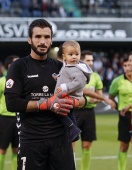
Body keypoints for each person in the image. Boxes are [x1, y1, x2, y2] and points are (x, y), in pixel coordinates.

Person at [4, 19, 86, 170]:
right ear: (29, 39)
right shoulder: (18, 67)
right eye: (38, 37)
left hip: (61, 141)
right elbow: (12, 103)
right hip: (31, 141)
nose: (43, 41)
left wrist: (73, 102)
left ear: (51, 40)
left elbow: (83, 99)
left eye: (47, 37)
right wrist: (46, 104)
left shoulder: (62, 67)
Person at [72, 50, 115, 170]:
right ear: (82, 61)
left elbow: (99, 96)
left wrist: (95, 100)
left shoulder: (95, 77)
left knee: (87, 145)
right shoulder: (74, 75)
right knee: (71, 145)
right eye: (88, 60)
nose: (91, 63)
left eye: (92, 60)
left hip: (89, 113)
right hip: (75, 112)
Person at [54, 40, 92, 142]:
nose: (74, 57)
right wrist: (57, 77)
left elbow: (79, 82)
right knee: (69, 114)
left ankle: (72, 128)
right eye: (70, 54)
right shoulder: (68, 66)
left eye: (77, 54)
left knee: (57, 111)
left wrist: (65, 87)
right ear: (64, 57)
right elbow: (65, 77)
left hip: (69, 96)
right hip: (67, 95)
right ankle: (74, 132)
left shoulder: (76, 68)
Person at [109, 57, 132, 170]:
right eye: (125, 66)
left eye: (129, 65)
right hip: (125, 117)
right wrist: (118, 107)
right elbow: (111, 97)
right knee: (124, 146)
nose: (127, 68)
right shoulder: (117, 81)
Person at [0, 55, 19, 170]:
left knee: (16, 149)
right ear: (10, 66)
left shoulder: (23, 81)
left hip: (19, 118)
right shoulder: (2, 81)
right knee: (2, 149)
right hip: (5, 119)